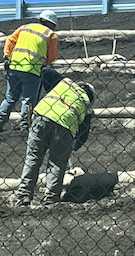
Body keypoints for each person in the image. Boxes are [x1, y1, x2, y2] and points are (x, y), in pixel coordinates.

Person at [15, 67, 95, 207]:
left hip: (41, 116)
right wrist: (73, 146)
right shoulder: (86, 103)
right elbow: (84, 133)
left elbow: (45, 71)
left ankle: (24, 195)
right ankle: (51, 199)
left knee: (33, 157)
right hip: (64, 126)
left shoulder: (65, 83)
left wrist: (47, 89)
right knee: (57, 163)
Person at [0, 9, 60, 132]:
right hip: (32, 70)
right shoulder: (50, 34)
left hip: (14, 67)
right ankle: (24, 124)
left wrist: (7, 56)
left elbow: (10, 40)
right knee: (28, 99)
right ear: (52, 24)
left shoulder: (24, 28)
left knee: (10, 97)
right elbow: (52, 57)